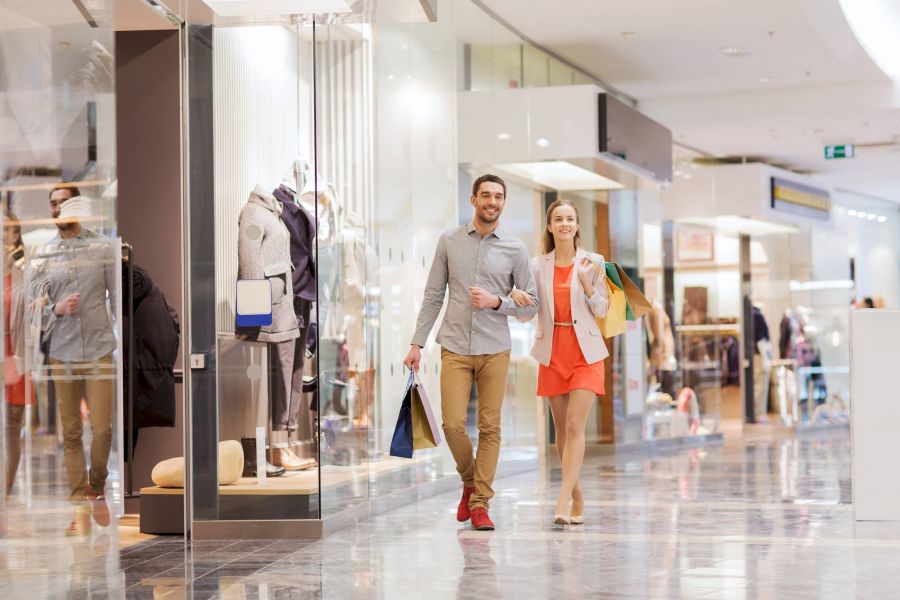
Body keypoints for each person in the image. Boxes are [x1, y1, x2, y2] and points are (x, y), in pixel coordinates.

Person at [404, 174, 537, 531]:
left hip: (495, 348)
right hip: (456, 346)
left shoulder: (515, 248)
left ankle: (480, 503)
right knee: (452, 424)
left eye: (499, 197)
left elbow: (530, 307)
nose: (492, 202)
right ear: (474, 199)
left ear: (503, 203)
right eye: (486, 195)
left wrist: (498, 302)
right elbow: (434, 294)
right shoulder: (449, 241)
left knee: (490, 427)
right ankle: (469, 481)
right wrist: (417, 342)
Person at [511, 199, 609, 526]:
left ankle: (563, 499)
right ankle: (577, 495)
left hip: (586, 353)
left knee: (574, 427)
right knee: (562, 433)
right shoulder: (537, 265)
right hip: (553, 351)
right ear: (550, 226)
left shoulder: (594, 262)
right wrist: (517, 299)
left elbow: (603, 310)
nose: (565, 224)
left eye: (570, 218)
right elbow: (528, 314)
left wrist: (585, 283)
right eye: (558, 219)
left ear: (577, 225)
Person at [33, 185, 116, 524]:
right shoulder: (44, 254)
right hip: (62, 353)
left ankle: (96, 484)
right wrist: (56, 308)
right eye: (53, 204)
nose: (57, 209)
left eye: (63, 202)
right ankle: (79, 501)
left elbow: (119, 296)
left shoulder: (101, 248)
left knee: (102, 428)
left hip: (98, 349)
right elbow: (31, 309)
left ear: (77, 206)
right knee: (70, 432)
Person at [4, 210, 34, 494]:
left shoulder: (23, 273)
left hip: (14, 353)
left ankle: (5, 489)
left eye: (7, 230)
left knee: (12, 425)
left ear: (15, 235)